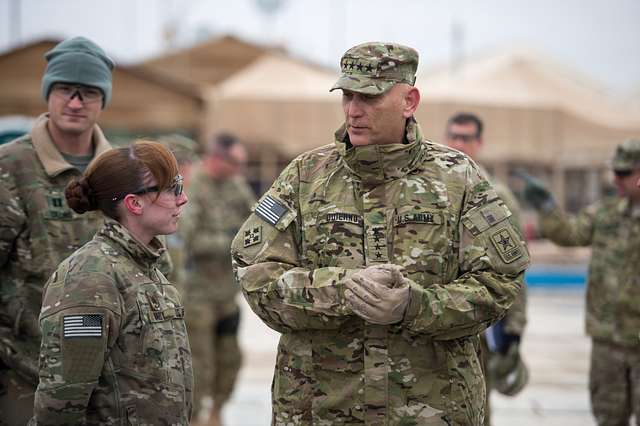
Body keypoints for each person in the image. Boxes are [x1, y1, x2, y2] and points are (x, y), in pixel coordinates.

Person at [231, 42, 529, 425]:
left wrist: (414, 305)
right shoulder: (305, 177)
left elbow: (501, 281)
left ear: (409, 101)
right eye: (348, 96)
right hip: (320, 409)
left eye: (370, 97)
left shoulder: (459, 179)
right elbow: (253, 271)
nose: (354, 110)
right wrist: (340, 291)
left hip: (431, 409)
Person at [30, 140, 192, 425]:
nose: (183, 198)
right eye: (171, 188)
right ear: (134, 203)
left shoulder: (149, 268)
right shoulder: (90, 279)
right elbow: (62, 402)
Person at [0, 36, 114, 425]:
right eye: (66, 90)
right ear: (49, 94)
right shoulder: (11, 166)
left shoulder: (119, 172)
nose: (76, 102)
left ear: (103, 101)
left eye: (89, 92)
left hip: (104, 374)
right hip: (24, 370)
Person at [521, 138, 640, 426]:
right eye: (615, 172)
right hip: (607, 339)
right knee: (608, 416)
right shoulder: (606, 213)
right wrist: (548, 207)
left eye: (624, 173)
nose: (616, 180)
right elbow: (569, 234)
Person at [445, 112, 529, 425]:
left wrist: (514, 329)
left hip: (482, 323)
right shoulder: (437, 190)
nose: (458, 144)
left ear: (479, 143)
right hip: (438, 318)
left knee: (475, 408)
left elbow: (515, 266)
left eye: (465, 138)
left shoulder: (495, 194)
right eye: (453, 136)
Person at [180, 133, 255, 426]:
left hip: (227, 294)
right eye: (235, 162)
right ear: (216, 158)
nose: (240, 169)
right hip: (198, 295)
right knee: (200, 363)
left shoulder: (235, 185)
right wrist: (232, 242)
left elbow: (255, 222)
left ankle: (217, 410)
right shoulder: (193, 187)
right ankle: (196, 415)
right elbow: (189, 238)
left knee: (230, 359)